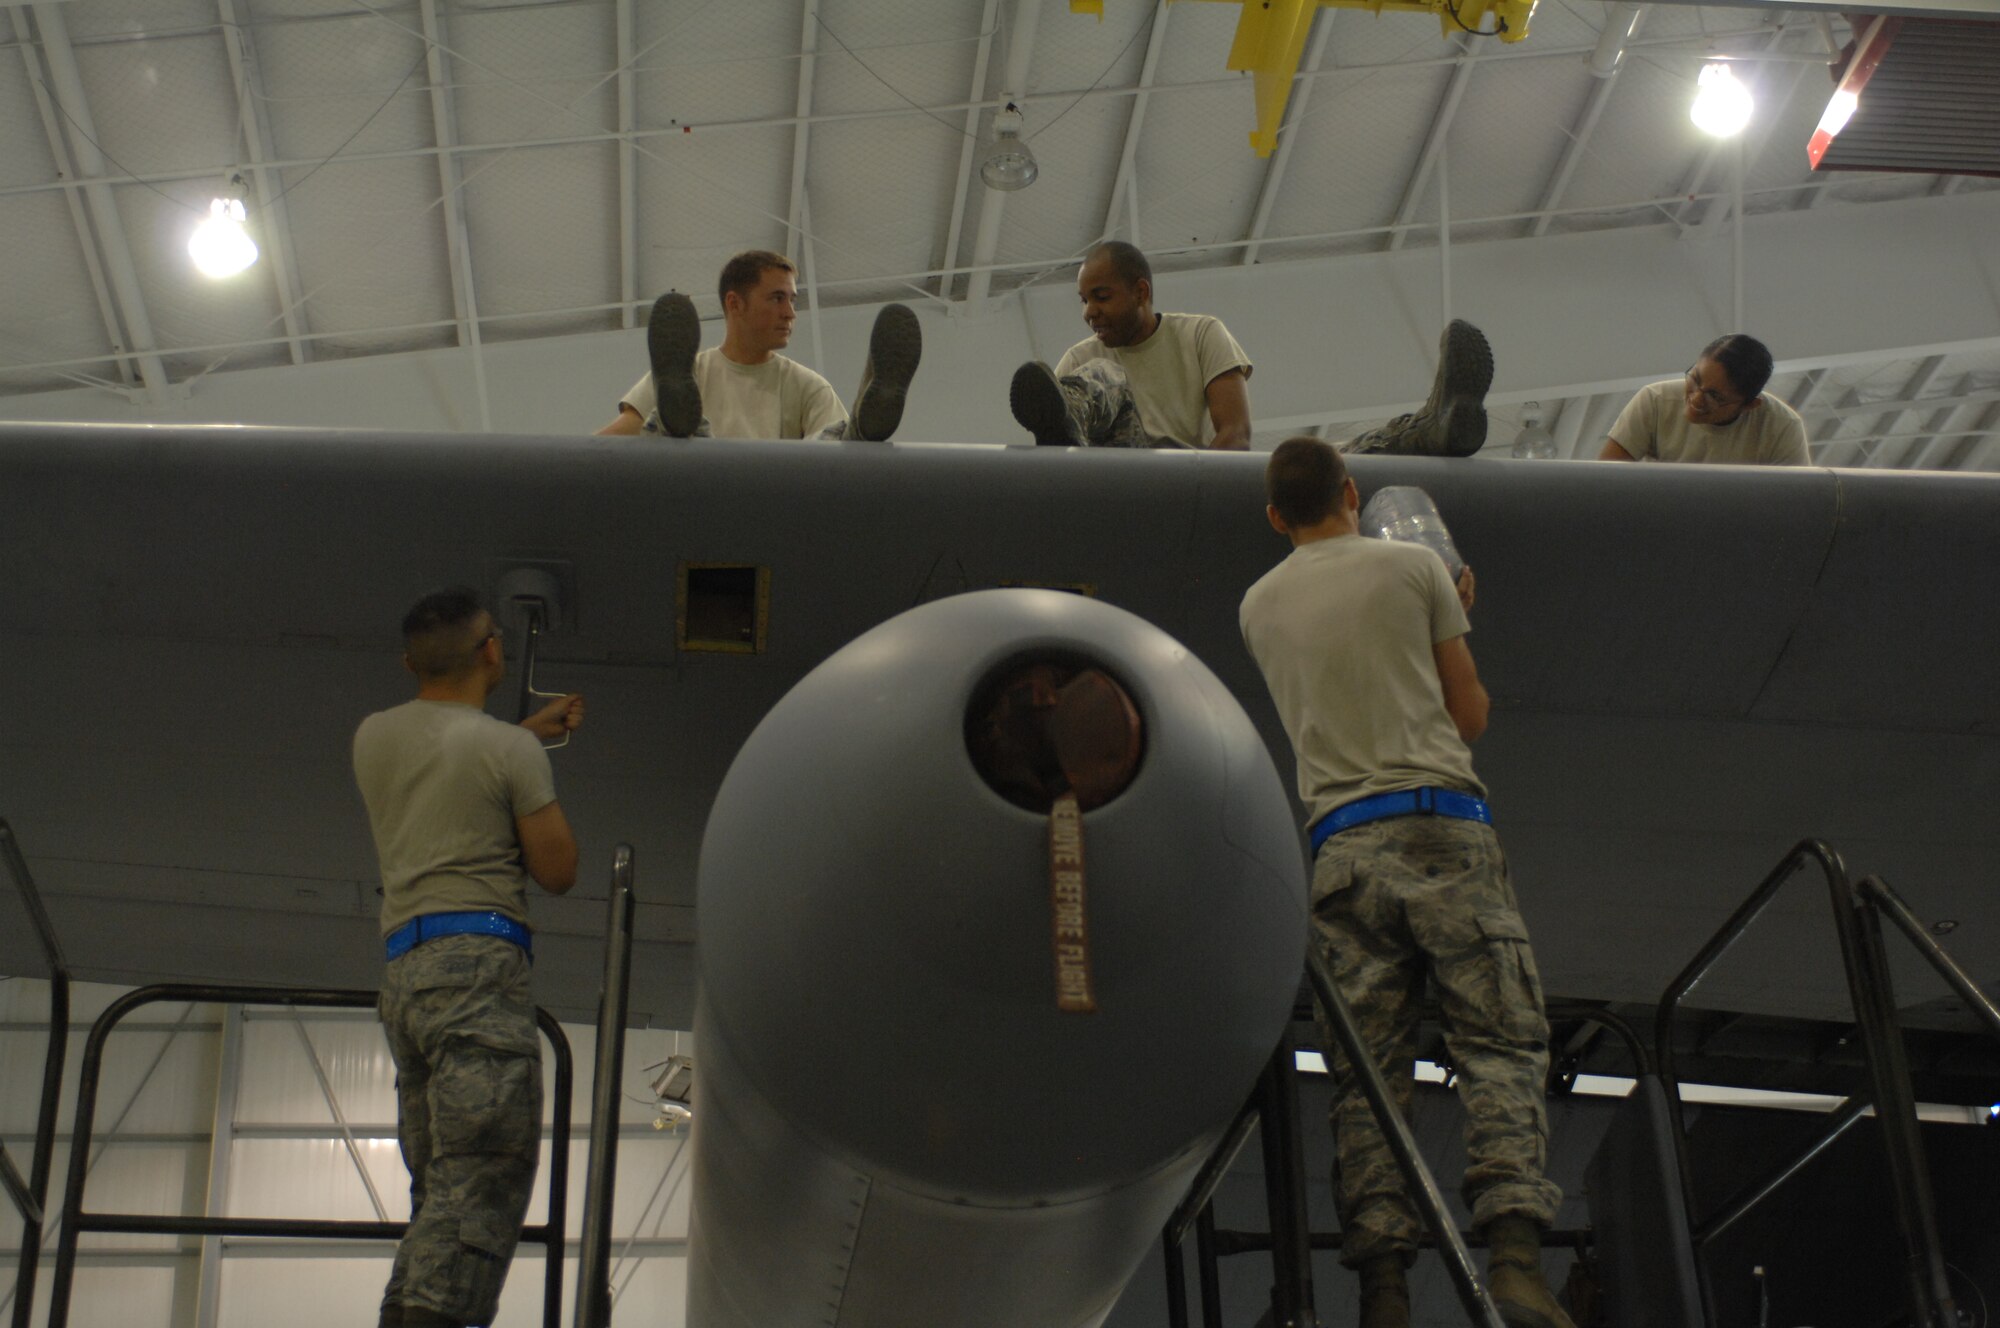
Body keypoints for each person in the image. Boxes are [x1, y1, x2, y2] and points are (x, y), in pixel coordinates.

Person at [1239, 439, 1573, 1328]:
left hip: (1340, 851)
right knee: (1497, 1042)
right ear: (1351, 493)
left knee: (1369, 1078)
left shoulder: (1257, 604)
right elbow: (1466, 715)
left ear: (1277, 516)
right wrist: (1448, 613)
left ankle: (1382, 1292)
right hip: (1441, 832)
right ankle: (1512, 1262)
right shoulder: (1415, 565)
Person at [352, 588, 585, 1328]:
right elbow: (557, 869)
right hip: (480, 970)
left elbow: (452, 763)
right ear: (491, 651)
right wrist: (526, 756)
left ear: (409, 662)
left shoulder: (374, 736)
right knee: (482, 1179)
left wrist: (520, 739)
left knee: (440, 1195)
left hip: (407, 977)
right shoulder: (508, 752)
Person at [597, 250, 921, 443]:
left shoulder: (806, 386)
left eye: (793, 300)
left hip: (776, 501)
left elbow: (836, 469)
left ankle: (863, 427)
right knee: (667, 435)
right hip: (700, 491)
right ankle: (680, 428)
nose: (791, 313)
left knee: (836, 445)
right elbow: (620, 436)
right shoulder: (689, 371)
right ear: (735, 304)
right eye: (777, 298)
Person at [1007, 240, 1254, 449]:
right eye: (1083, 301)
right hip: (1114, 479)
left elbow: (1237, 434)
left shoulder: (1201, 334)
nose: (1089, 312)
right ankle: (1073, 419)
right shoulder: (1078, 360)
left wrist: (1195, 494)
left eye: (1102, 297)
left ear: (1140, 292)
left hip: (1185, 480)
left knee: (1106, 372)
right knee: (1097, 373)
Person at [1598, 333, 1809, 465]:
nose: (1697, 399)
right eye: (1695, 378)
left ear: (1749, 405)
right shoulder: (1655, 400)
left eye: (1715, 396)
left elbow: (1794, 504)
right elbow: (1607, 479)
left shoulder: (1783, 427)